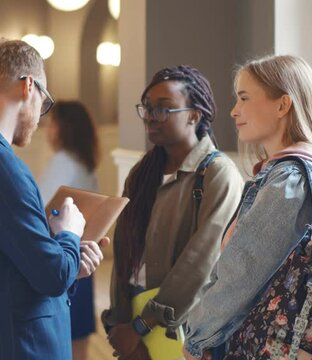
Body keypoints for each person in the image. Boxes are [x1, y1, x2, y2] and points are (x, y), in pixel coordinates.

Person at [0, 39, 106, 360]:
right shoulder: (0, 165)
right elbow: (51, 276)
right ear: (28, 86)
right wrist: (68, 232)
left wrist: (70, 262)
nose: (41, 116)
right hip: (14, 346)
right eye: (44, 101)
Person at [183, 55, 312, 359]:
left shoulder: (289, 179)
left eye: (244, 98)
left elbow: (241, 273)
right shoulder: (303, 171)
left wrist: (196, 337)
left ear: (282, 105)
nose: (234, 110)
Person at [102, 65, 244, 359]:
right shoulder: (142, 173)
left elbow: (200, 264)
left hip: (182, 330)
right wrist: (121, 322)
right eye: (148, 108)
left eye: (165, 109)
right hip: (134, 325)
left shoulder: (217, 174)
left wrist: (143, 326)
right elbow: (124, 251)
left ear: (194, 115)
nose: (152, 117)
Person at [39, 100, 100, 360]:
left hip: (62, 257)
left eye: (51, 124)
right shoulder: (85, 164)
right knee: (79, 340)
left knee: (63, 339)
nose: (47, 130)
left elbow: (40, 209)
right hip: (82, 254)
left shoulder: (63, 162)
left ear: (63, 128)